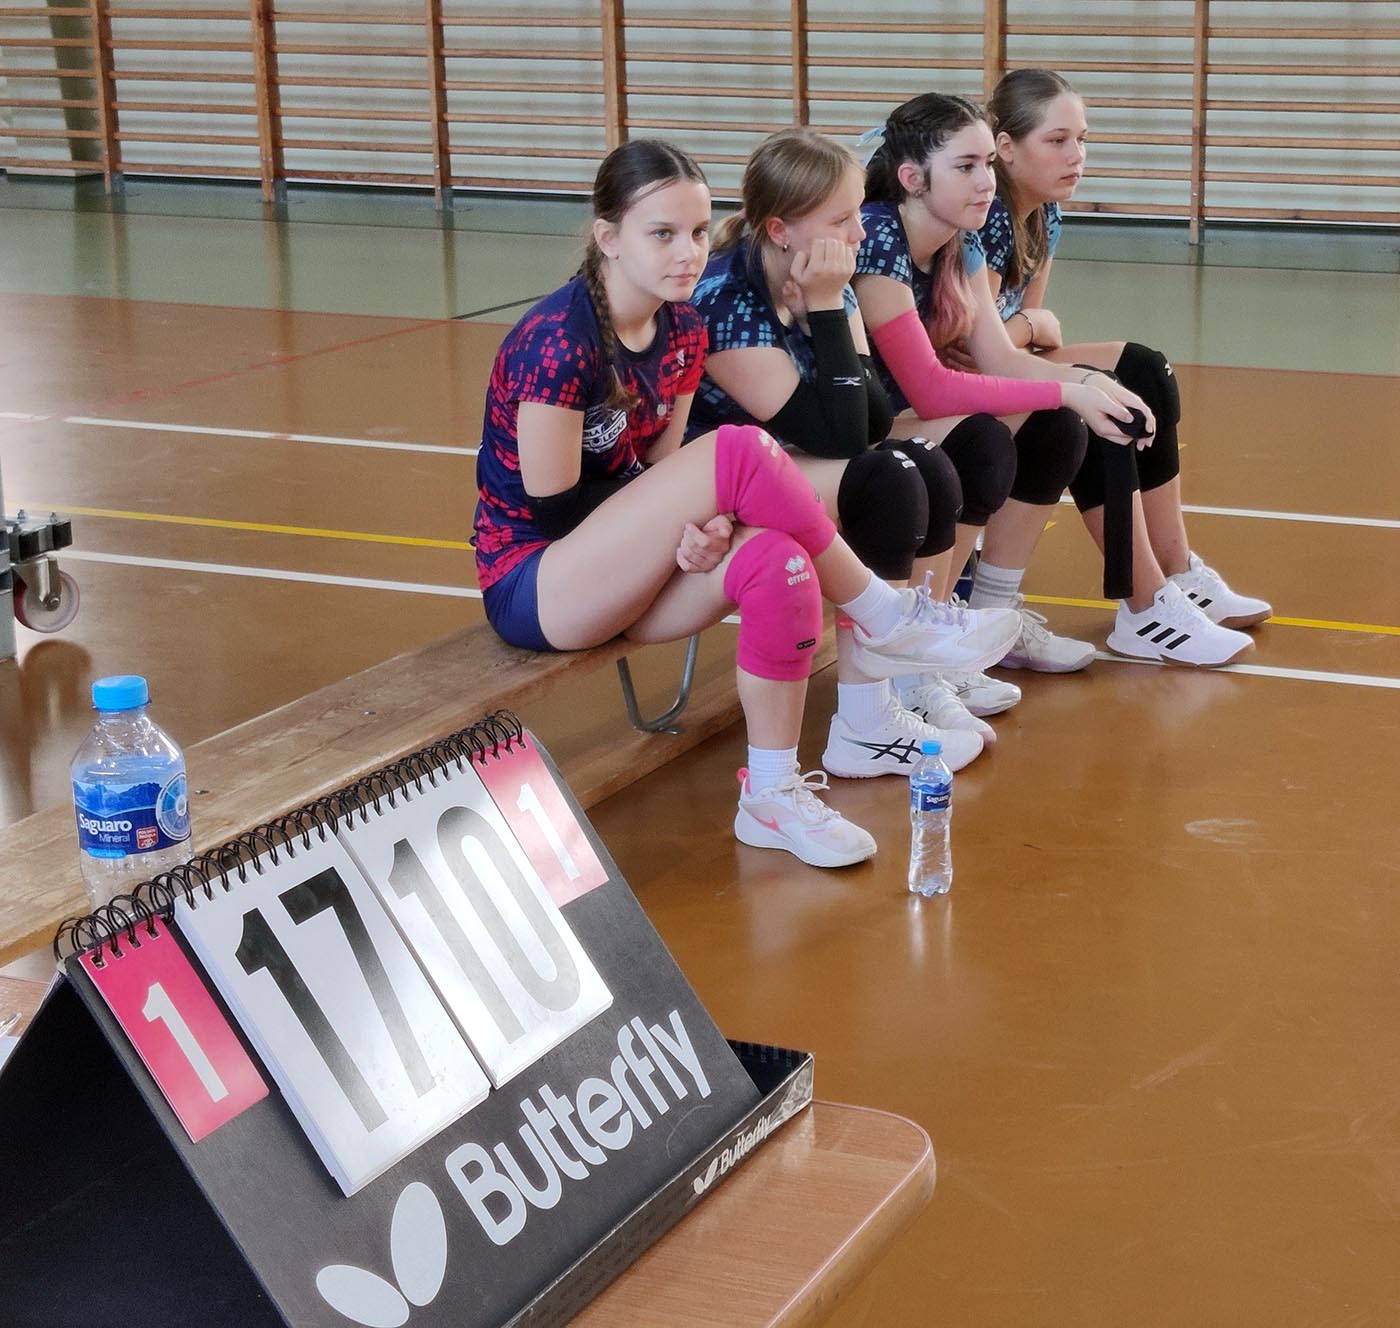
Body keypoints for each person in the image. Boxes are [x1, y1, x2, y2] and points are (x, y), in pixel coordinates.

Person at [473, 138, 1020, 870]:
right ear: (608, 238)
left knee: (778, 561)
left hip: (626, 567)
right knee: (738, 449)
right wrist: (668, 524)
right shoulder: (557, 342)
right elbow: (556, 514)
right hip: (539, 583)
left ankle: (771, 794)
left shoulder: (682, 328)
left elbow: (656, 471)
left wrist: (696, 528)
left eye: (699, 232)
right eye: (662, 234)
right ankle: (885, 614)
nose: (688, 253)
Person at [854, 92, 1253, 671]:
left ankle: (996, 614)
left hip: (908, 414)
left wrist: (1089, 385)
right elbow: (933, 388)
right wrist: (1068, 386)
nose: (985, 182)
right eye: (967, 167)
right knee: (996, 436)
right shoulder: (880, 238)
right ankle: (941, 635)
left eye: (986, 164)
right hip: (858, 431)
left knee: (1073, 418)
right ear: (912, 179)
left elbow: (1003, 357)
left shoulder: (959, 240)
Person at [688, 126, 993, 779]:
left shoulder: (826, 272)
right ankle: (864, 722)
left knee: (925, 462)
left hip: (786, 460)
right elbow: (843, 437)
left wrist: (828, 304)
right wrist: (827, 308)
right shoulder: (726, 301)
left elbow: (872, 415)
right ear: (780, 231)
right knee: (886, 480)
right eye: (841, 219)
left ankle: (908, 678)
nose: (859, 232)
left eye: (857, 213)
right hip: (717, 484)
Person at [978, 67, 1272, 653]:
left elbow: (1031, 339)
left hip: (1002, 363)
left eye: (1081, 139)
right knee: (1099, 400)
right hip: (963, 383)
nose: (1076, 155)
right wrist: (1032, 328)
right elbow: (986, 349)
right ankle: (1145, 605)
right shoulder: (986, 215)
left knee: (1145, 370)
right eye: (1057, 140)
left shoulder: (1045, 212)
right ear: (1006, 147)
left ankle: (1176, 570)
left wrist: (1030, 329)